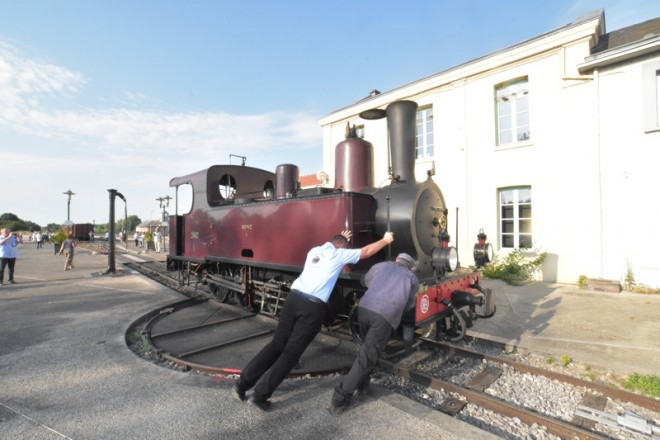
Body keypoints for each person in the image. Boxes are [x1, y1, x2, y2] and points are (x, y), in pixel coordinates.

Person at [233, 229, 394, 411]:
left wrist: (343, 240)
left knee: (276, 344)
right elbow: (366, 252)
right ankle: (260, 396)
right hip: (312, 306)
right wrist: (385, 240)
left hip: (293, 298)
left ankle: (241, 384)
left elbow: (336, 244)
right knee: (290, 354)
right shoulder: (338, 254)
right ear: (342, 247)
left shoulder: (314, 251)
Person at [330, 253, 419, 414]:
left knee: (367, 350)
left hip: (363, 310)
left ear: (396, 260)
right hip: (384, 317)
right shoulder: (412, 277)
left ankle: (363, 386)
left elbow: (364, 281)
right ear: (410, 266)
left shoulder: (381, 265)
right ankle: (339, 398)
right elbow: (410, 304)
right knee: (367, 356)